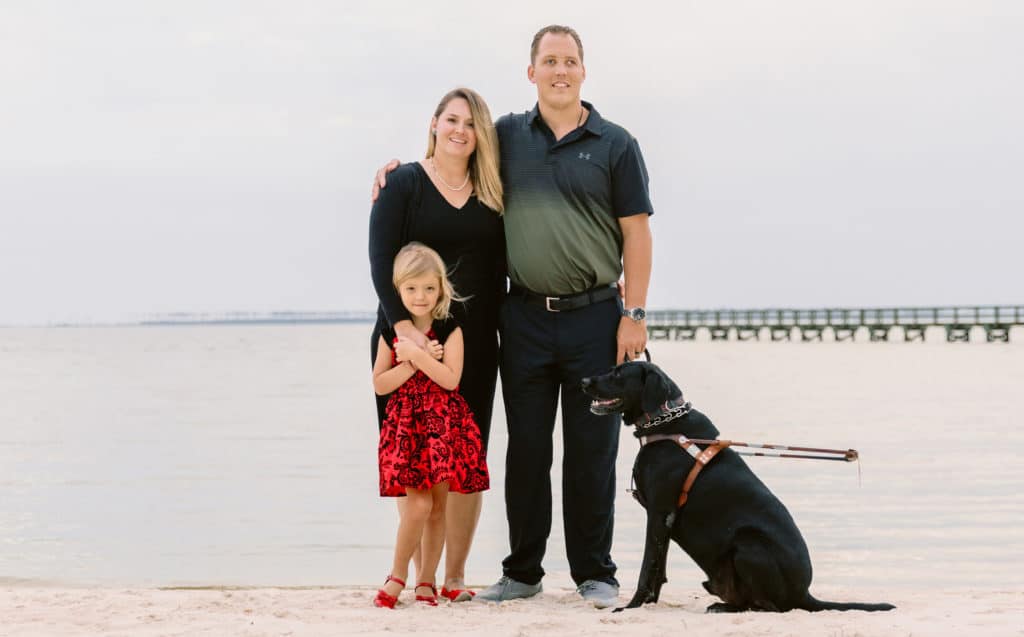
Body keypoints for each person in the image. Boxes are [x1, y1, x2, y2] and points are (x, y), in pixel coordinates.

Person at [374, 26, 654, 609]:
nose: (560, 70)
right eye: (549, 61)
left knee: (592, 448)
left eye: (570, 61)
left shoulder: (617, 144)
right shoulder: (504, 135)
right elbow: (451, 148)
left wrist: (636, 313)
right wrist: (396, 170)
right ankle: (522, 571)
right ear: (531, 72)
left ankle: (594, 572)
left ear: (584, 70)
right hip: (521, 315)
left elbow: (637, 232)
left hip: (595, 315)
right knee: (525, 447)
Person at [368, 87, 505, 602]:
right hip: (405, 338)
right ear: (433, 123)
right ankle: (414, 574)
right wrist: (405, 330)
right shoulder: (404, 183)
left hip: (473, 346)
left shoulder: (492, 191)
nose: (460, 130)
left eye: (471, 124)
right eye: (451, 119)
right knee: (414, 465)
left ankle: (453, 577)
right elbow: (381, 261)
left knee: (464, 463)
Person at [371, 242, 490, 609]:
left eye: (428, 288)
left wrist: (418, 355)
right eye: (410, 289)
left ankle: (427, 583)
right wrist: (408, 361)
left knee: (438, 507)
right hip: (407, 431)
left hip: (442, 429)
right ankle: (397, 576)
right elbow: (380, 383)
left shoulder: (451, 328)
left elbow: (450, 379)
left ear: (441, 288)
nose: (420, 297)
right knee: (417, 505)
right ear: (398, 290)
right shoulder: (392, 333)